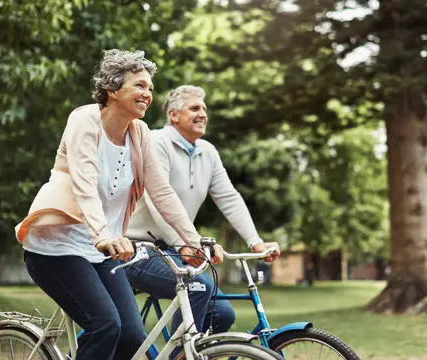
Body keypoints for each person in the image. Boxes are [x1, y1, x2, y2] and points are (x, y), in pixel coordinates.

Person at [16, 51, 211, 360]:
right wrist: (102, 235)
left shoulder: (139, 133)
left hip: (102, 250)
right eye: (139, 85)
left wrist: (192, 239)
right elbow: (85, 185)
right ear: (112, 89)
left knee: (132, 335)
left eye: (150, 87)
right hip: (57, 247)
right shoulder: (84, 120)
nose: (147, 94)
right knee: (105, 325)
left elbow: (162, 192)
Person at [125, 85, 281, 337]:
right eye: (195, 108)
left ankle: (189, 350)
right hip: (136, 247)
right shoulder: (156, 142)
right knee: (197, 286)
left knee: (223, 314)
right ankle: (180, 354)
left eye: (205, 109)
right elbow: (157, 199)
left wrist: (256, 242)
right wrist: (187, 244)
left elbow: (229, 198)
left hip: (175, 248)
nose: (203, 114)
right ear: (173, 114)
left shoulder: (208, 152)